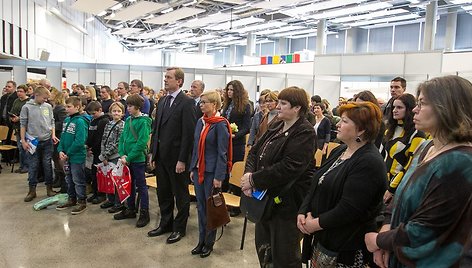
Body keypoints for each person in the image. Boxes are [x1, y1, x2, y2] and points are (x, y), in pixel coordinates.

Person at [365, 75, 472, 268]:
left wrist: (379, 241)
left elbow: (426, 228)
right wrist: (386, 229)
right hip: (400, 251)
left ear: (447, 108)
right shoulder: (427, 146)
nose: (415, 109)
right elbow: (401, 196)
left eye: (422, 103)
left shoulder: (462, 161)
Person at [298, 101, 387, 267]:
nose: (338, 124)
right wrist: (303, 211)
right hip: (324, 236)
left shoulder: (369, 162)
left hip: (345, 245)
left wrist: (314, 225)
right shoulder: (339, 150)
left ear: (361, 129)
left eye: (345, 121)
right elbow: (316, 183)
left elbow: (349, 209)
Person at [241, 86, 317, 268]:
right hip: (265, 200)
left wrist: (254, 180)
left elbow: (288, 168)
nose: (278, 106)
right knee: (264, 249)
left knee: (284, 256)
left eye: (283, 103)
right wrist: (249, 175)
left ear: (297, 108)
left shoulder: (305, 132)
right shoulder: (276, 124)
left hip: (287, 205)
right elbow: (254, 152)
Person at [148, 67, 197, 243]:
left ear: (179, 81)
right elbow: (157, 129)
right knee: (163, 193)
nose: (165, 80)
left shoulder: (187, 102)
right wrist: (153, 153)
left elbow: (188, 134)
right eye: (165, 77)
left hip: (177, 159)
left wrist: (183, 159)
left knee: (181, 195)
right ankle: (165, 223)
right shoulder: (162, 101)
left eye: (169, 77)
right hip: (161, 156)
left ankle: (179, 228)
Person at [189, 90, 232, 258]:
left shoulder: (220, 124)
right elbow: (195, 146)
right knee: (200, 208)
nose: (201, 105)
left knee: (210, 209)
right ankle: (201, 240)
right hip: (199, 170)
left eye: (204, 102)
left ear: (214, 104)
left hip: (211, 172)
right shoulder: (201, 122)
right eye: (200, 102)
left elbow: (222, 153)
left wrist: (219, 177)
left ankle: (209, 242)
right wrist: (193, 168)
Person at [114, 94, 152, 228]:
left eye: (130, 106)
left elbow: (142, 142)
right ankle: (130, 209)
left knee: (141, 187)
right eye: (127, 106)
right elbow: (123, 138)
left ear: (137, 107)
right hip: (126, 159)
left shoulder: (144, 121)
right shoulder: (128, 119)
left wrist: (129, 157)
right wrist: (122, 154)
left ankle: (144, 212)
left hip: (137, 160)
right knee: (128, 185)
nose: (128, 109)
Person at [382, 93, 426, 204]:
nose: (394, 110)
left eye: (399, 107)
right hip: (382, 181)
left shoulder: (417, 134)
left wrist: (392, 189)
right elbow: (380, 155)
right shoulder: (389, 131)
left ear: (409, 109)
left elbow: (410, 166)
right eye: (393, 107)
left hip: (400, 187)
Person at [20, 86, 58, 202]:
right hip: (33, 142)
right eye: (44, 98)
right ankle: (32, 190)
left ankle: (49, 188)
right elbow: (23, 124)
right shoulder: (26, 107)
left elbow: (52, 121)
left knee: (47, 165)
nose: (45, 100)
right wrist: (23, 140)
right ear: (36, 95)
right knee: (33, 166)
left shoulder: (48, 107)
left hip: (47, 140)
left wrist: (53, 134)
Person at [56, 96, 89, 214]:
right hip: (66, 156)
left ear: (77, 107)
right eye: (66, 106)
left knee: (77, 179)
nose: (66, 109)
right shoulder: (66, 120)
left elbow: (80, 141)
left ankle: (82, 201)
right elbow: (63, 137)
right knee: (68, 178)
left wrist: (68, 153)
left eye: (69, 107)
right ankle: (72, 198)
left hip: (76, 156)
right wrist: (60, 150)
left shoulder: (80, 121)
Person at [98, 102, 125, 213]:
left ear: (122, 113)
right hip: (106, 156)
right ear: (110, 112)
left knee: (116, 180)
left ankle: (118, 203)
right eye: (114, 111)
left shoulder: (122, 125)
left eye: (118, 111)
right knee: (108, 179)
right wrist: (103, 154)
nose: (116, 113)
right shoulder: (108, 124)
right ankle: (110, 199)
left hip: (115, 156)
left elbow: (118, 143)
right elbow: (104, 139)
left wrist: (106, 155)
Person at [85, 101, 111, 204]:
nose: (92, 116)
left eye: (94, 113)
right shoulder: (93, 121)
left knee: (101, 175)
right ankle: (95, 192)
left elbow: (100, 138)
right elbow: (90, 135)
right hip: (93, 151)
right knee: (94, 174)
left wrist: (93, 148)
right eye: (90, 114)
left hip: (100, 152)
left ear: (100, 110)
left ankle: (101, 194)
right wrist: (88, 145)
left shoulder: (104, 121)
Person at [49, 89, 68, 192]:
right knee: (55, 159)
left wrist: (51, 126)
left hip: (59, 135)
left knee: (59, 159)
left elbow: (63, 122)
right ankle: (58, 179)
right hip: (55, 135)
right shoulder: (54, 107)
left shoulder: (60, 108)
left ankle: (62, 182)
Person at [9, 85, 30, 173]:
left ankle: (27, 166)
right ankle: (22, 166)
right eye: (18, 91)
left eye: (21, 91)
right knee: (20, 148)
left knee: (26, 148)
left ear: (25, 92)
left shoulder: (29, 101)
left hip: (27, 128)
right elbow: (13, 110)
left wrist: (20, 118)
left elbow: (30, 114)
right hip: (17, 127)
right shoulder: (16, 101)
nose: (19, 93)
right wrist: (12, 117)